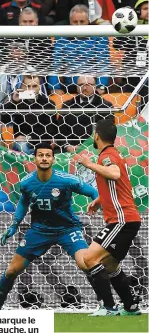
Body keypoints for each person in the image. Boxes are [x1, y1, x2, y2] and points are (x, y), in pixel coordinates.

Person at [0, 143, 100, 310]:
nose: (44, 158)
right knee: (12, 270)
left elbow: (93, 192)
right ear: (35, 159)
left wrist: (96, 203)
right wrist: (14, 226)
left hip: (68, 229)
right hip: (39, 231)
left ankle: (104, 303)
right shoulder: (26, 183)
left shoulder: (66, 180)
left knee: (85, 263)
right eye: (40, 155)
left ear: (53, 159)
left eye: (48, 155)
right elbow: (23, 202)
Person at [78, 119, 142, 316]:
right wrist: (98, 200)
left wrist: (89, 164)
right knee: (111, 265)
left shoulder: (107, 156)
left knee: (88, 257)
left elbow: (114, 174)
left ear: (96, 135)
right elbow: (118, 183)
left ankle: (108, 307)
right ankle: (130, 307)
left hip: (121, 220)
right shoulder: (114, 154)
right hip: (127, 219)